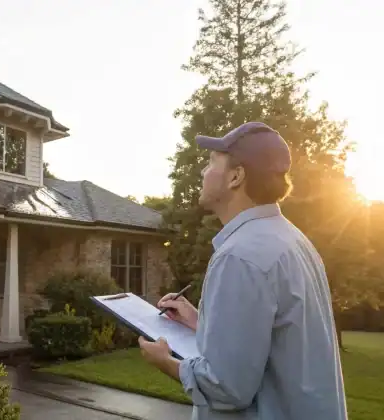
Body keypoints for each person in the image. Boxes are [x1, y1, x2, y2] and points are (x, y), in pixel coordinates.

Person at [138, 122, 348, 420]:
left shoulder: (240, 256)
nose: (202, 172)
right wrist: (200, 322)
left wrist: (164, 362)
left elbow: (225, 388)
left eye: (211, 162)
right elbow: (270, 342)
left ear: (236, 176)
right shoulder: (292, 240)